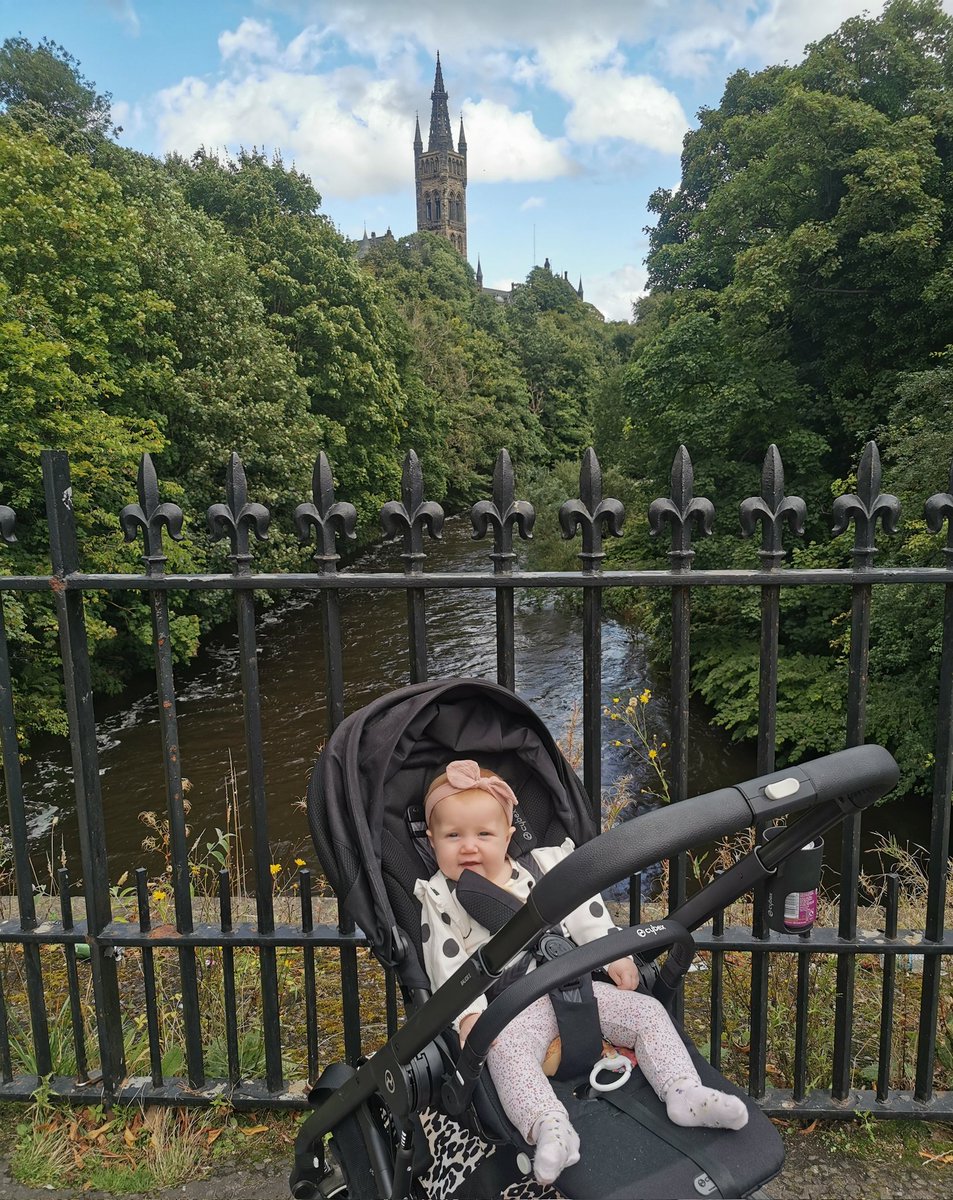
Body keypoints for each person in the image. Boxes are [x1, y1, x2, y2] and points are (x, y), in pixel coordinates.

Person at [414, 759, 748, 1187]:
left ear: (508, 835)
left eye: (484, 835)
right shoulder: (440, 897)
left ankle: (683, 1090)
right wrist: (471, 1016)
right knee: (504, 1052)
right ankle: (550, 1127)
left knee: (646, 1012)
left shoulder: (543, 867)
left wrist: (613, 955)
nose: (469, 847)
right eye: (452, 836)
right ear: (432, 841)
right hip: (512, 1012)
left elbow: (585, 913)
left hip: (576, 988)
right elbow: (447, 965)